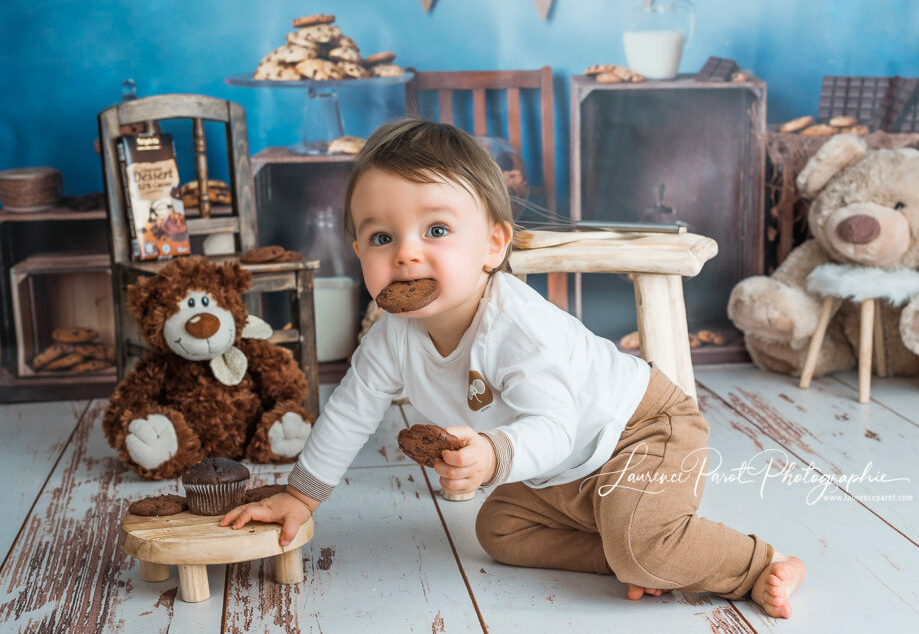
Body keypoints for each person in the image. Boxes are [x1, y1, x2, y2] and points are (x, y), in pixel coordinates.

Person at [220, 118, 805, 617]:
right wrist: (300, 497)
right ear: (359, 253)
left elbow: (555, 424)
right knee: (498, 531)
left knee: (642, 546)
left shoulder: (515, 326)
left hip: (640, 431)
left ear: (494, 245)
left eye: (438, 230)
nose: (406, 252)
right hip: (564, 470)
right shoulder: (390, 338)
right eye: (380, 236)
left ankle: (757, 562)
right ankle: (633, 547)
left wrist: (495, 455)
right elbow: (347, 414)